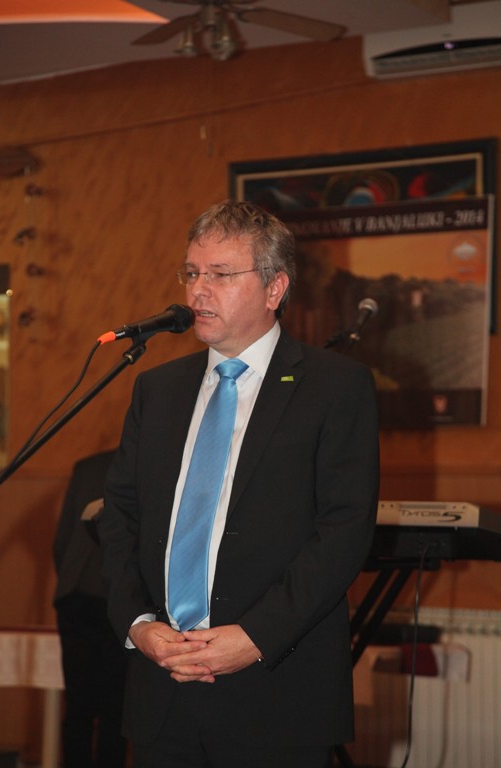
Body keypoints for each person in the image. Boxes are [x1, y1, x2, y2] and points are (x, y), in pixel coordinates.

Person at [98, 200, 379, 768]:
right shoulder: (157, 390)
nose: (198, 291)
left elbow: (343, 533)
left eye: (221, 274)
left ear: (275, 288)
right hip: (162, 689)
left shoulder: (335, 387)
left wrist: (253, 637)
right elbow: (119, 518)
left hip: (275, 690)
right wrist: (138, 624)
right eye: (192, 272)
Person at [53, 450, 128, 768]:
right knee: (115, 708)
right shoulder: (152, 461)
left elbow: (62, 541)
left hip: (76, 594)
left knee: (79, 705)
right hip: (120, 599)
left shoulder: (86, 466)